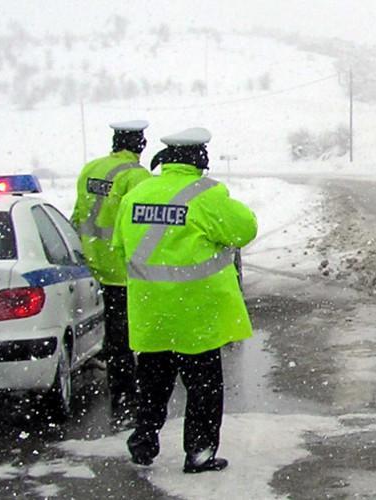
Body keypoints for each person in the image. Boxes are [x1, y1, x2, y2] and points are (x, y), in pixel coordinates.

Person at [113, 127, 257, 474]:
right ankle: (199, 453)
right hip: (196, 315)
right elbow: (245, 229)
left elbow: (120, 247)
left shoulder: (137, 193)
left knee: (152, 386)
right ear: (199, 158)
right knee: (203, 390)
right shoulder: (207, 195)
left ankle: (144, 441)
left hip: (151, 313)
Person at [71, 120, 152, 426]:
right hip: (125, 269)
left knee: (115, 334)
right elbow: (141, 224)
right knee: (134, 337)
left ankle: (120, 394)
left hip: (96, 263)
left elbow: (79, 213)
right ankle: (130, 397)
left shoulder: (90, 168)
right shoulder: (137, 176)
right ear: (139, 146)